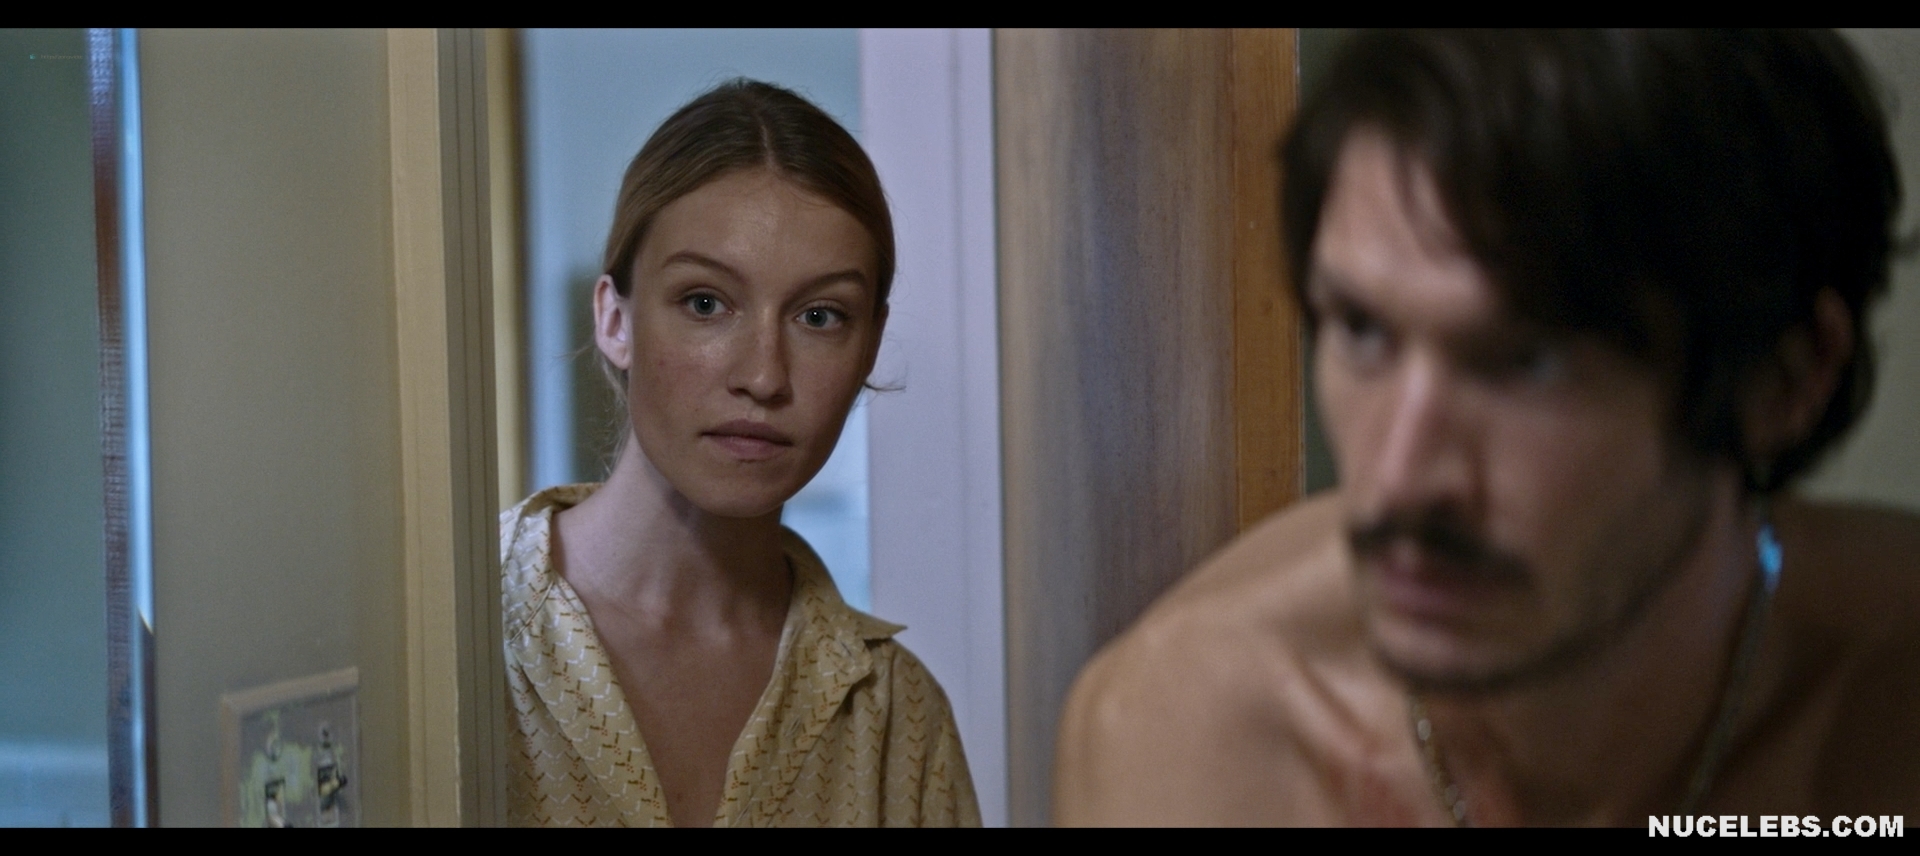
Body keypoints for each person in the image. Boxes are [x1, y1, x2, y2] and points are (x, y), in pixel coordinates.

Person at [1054, 30, 1920, 827]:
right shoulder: (1204, 744)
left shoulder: (1882, 713)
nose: (1399, 479)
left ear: (1783, 382)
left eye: (1526, 362)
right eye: (1362, 330)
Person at [501, 79, 980, 827]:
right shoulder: (461, 623)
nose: (763, 376)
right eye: (705, 303)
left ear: (869, 346)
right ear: (615, 320)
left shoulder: (896, 722)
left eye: (820, 316)